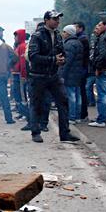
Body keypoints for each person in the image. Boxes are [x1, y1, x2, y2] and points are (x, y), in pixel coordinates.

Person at [27, 10, 80, 143]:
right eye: (54, 19)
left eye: (58, 19)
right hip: (38, 75)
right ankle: (35, 132)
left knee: (63, 102)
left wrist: (62, 59)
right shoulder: (37, 36)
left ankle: (65, 133)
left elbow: (62, 52)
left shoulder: (57, 35)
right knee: (36, 104)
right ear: (46, 20)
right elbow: (33, 56)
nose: (57, 21)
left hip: (54, 75)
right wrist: (52, 60)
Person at [60, 25, 84, 124]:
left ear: (68, 33)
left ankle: (72, 117)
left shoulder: (69, 44)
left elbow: (67, 61)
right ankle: (78, 116)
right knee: (78, 96)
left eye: (64, 32)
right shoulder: (79, 43)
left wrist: (62, 74)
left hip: (70, 74)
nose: (63, 33)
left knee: (71, 96)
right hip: (78, 73)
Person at [74, 21, 90, 122]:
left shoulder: (81, 39)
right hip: (82, 68)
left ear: (80, 28)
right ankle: (82, 113)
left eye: (75, 27)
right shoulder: (82, 38)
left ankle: (82, 114)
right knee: (81, 91)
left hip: (81, 69)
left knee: (80, 92)